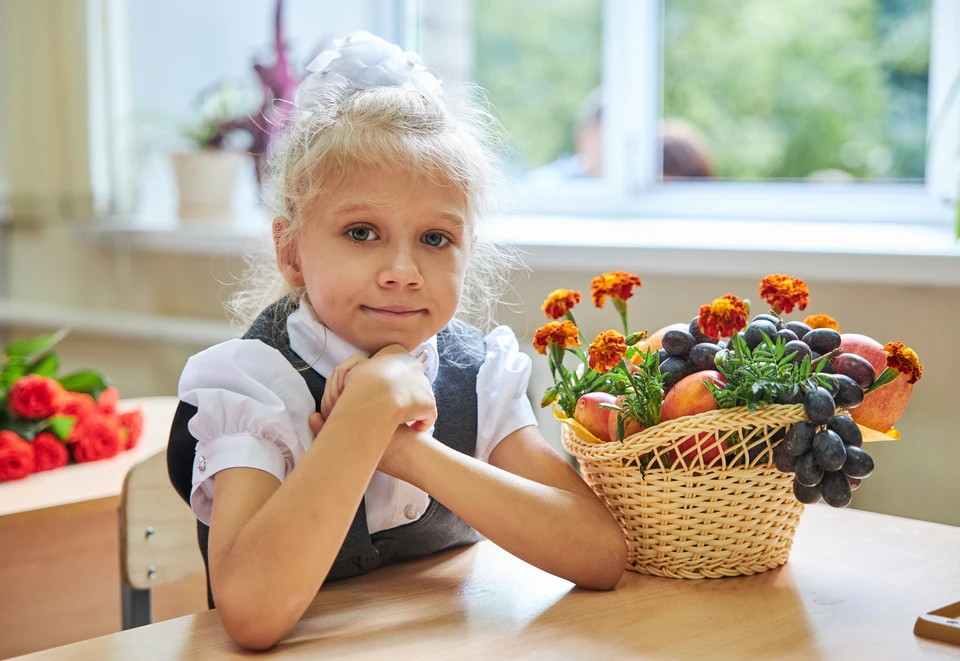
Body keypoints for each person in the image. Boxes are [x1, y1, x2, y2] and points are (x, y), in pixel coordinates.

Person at [166, 32, 626, 651]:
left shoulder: (478, 371)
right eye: (362, 232)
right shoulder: (254, 384)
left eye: (436, 239)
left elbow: (600, 553)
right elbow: (250, 614)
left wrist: (409, 453)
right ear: (290, 250)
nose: (403, 270)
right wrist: (369, 408)